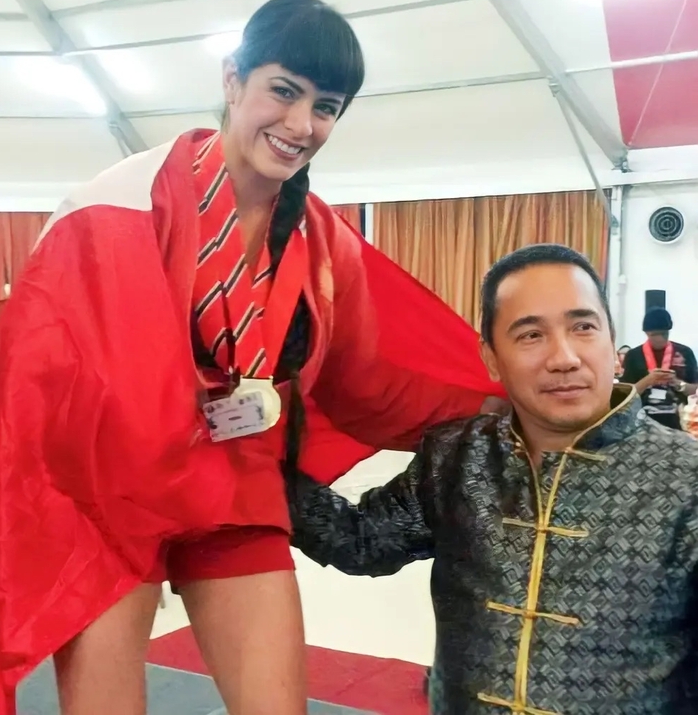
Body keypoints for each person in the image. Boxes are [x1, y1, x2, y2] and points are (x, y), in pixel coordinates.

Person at [0, 0, 505, 715]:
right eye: (284, 91)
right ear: (233, 78)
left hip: (231, 495)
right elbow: (39, 376)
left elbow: (374, 383)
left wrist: (508, 404)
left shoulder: (320, 241)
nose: (301, 124)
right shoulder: (118, 206)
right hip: (105, 508)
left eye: (326, 107)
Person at [287, 244, 698, 715]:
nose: (564, 357)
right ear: (491, 358)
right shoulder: (458, 457)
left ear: (611, 340)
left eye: (583, 327)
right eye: (531, 335)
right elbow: (361, 542)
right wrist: (254, 458)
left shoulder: (685, 479)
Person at [619, 307, 698, 429]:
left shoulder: (684, 352)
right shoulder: (634, 355)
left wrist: (677, 383)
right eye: (655, 334)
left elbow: (695, 390)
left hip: (677, 419)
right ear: (646, 333)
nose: (660, 338)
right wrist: (648, 380)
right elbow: (626, 395)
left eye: (664, 334)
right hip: (641, 420)